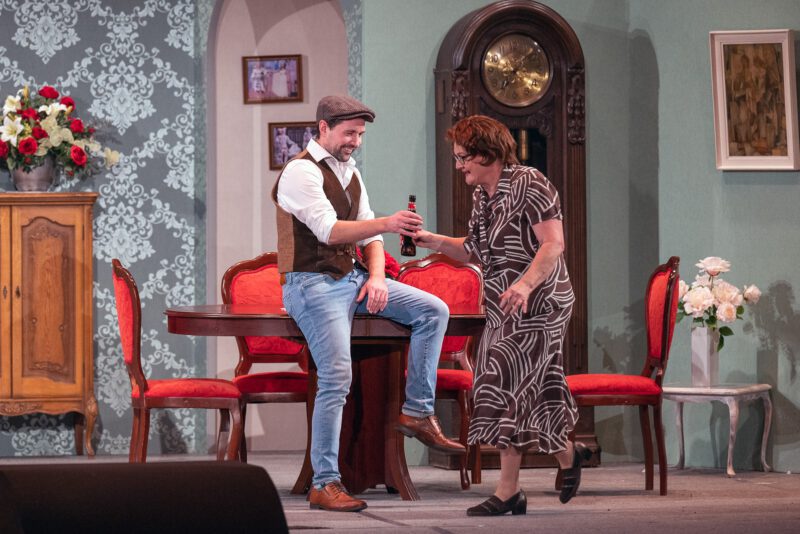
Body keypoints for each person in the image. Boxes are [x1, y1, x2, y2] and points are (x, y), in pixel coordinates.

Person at [271, 95, 464, 513]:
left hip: (353, 279)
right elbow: (329, 231)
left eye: (360, 134)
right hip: (312, 284)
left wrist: (377, 277)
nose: (355, 142)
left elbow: (370, 237)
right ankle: (324, 483)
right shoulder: (301, 171)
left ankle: (417, 411)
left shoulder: (350, 172)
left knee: (433, 310)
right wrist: (389, 223)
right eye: (349, 133)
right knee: (337, 375)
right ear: (323, 128)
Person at [413, 115, 587, 516]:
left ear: (486, 153)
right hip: (502, 304)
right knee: (532, 388)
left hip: (540, 303)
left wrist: (524, 285)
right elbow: (473, 250)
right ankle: (568, 453)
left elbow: (553, 244)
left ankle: (509, 490)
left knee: (504, 383)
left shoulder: (531, 183)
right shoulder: (483, 196)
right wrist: (432, 240)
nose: (459, 165)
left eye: (463, 157)